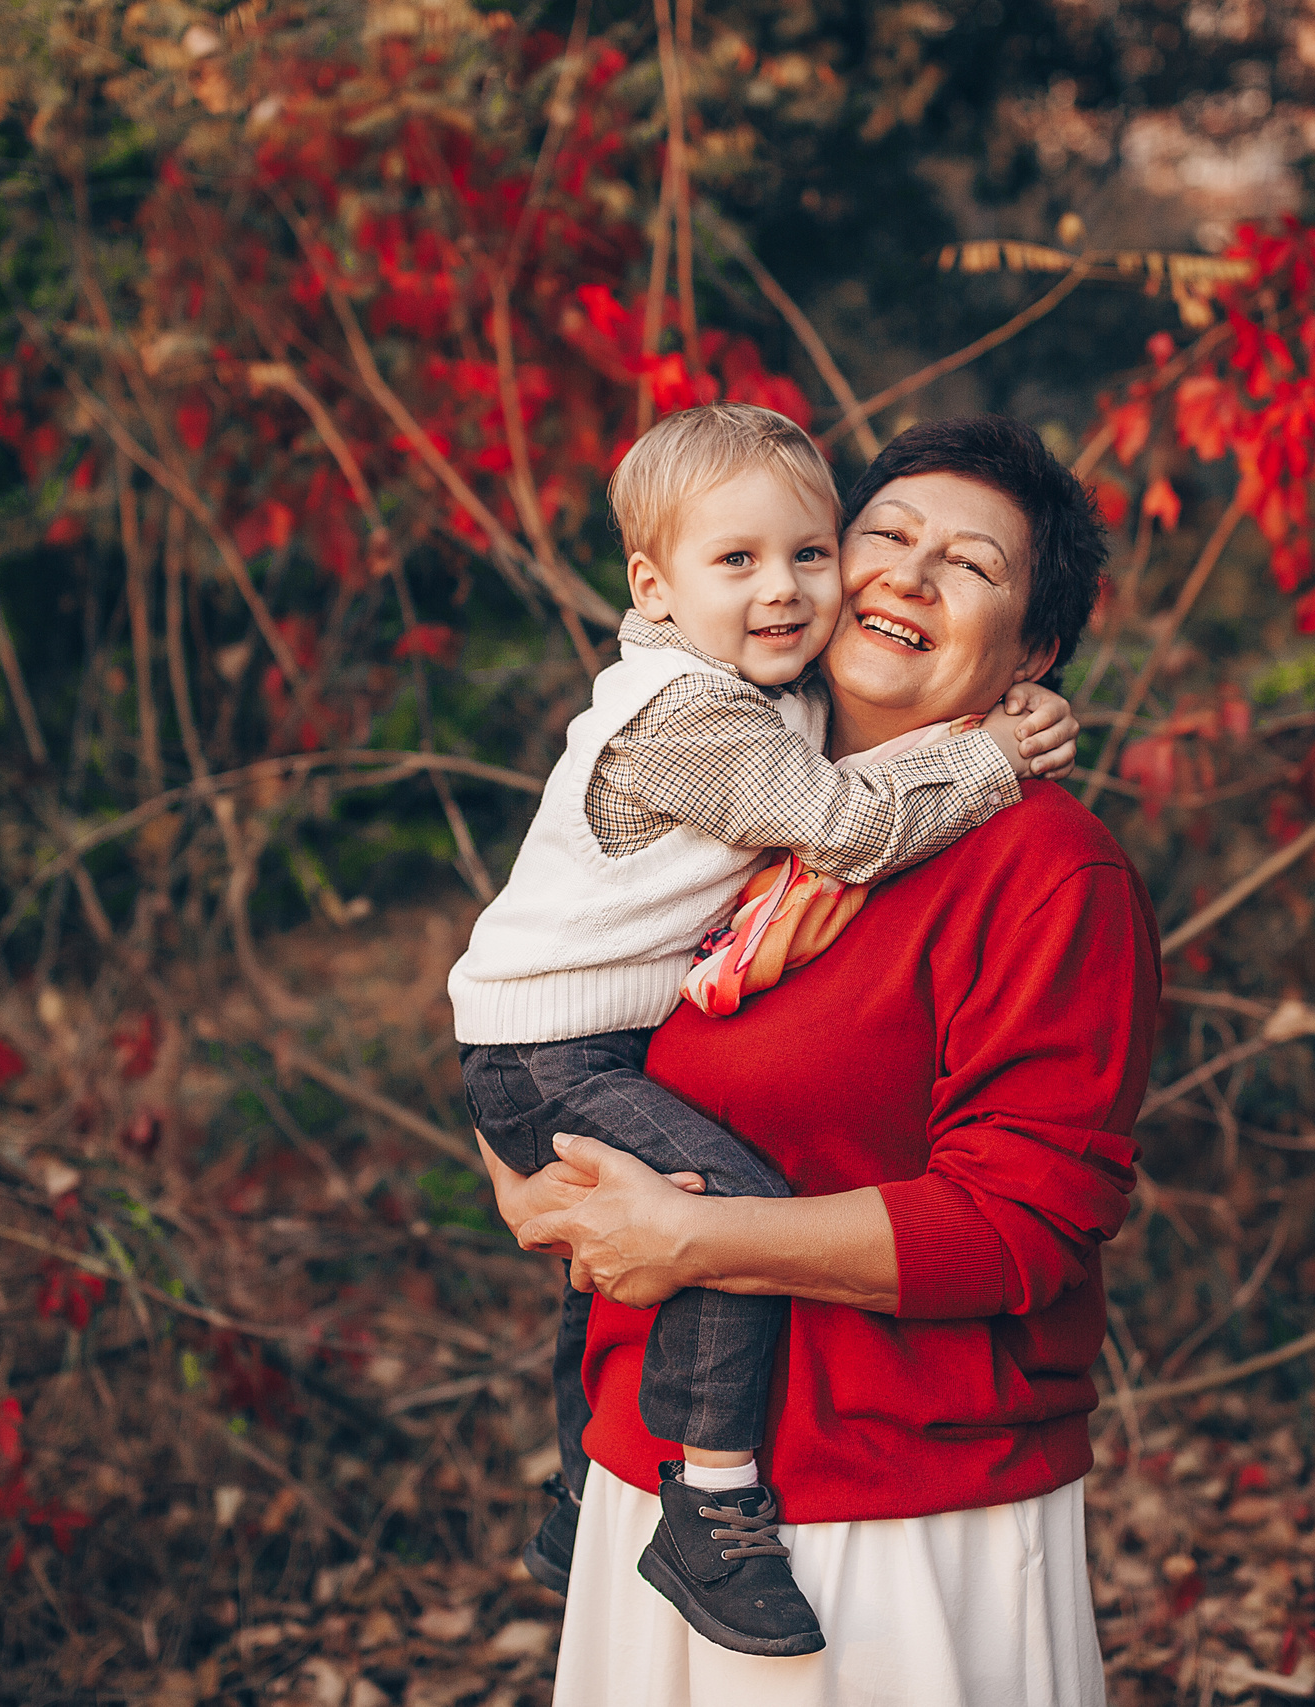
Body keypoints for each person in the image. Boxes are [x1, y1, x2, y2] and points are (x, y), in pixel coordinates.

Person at [482, 414, 1162, 1707]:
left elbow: (1021, 1230)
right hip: (649, 1480)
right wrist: (526, 1189)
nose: (909, 573)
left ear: (1034, 653)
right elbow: (549, 1008)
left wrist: (699, 1244)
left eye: (971, 566)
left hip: (897, 1514)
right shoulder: (732, 808)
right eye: (885, 538)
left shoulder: (1047, 874)